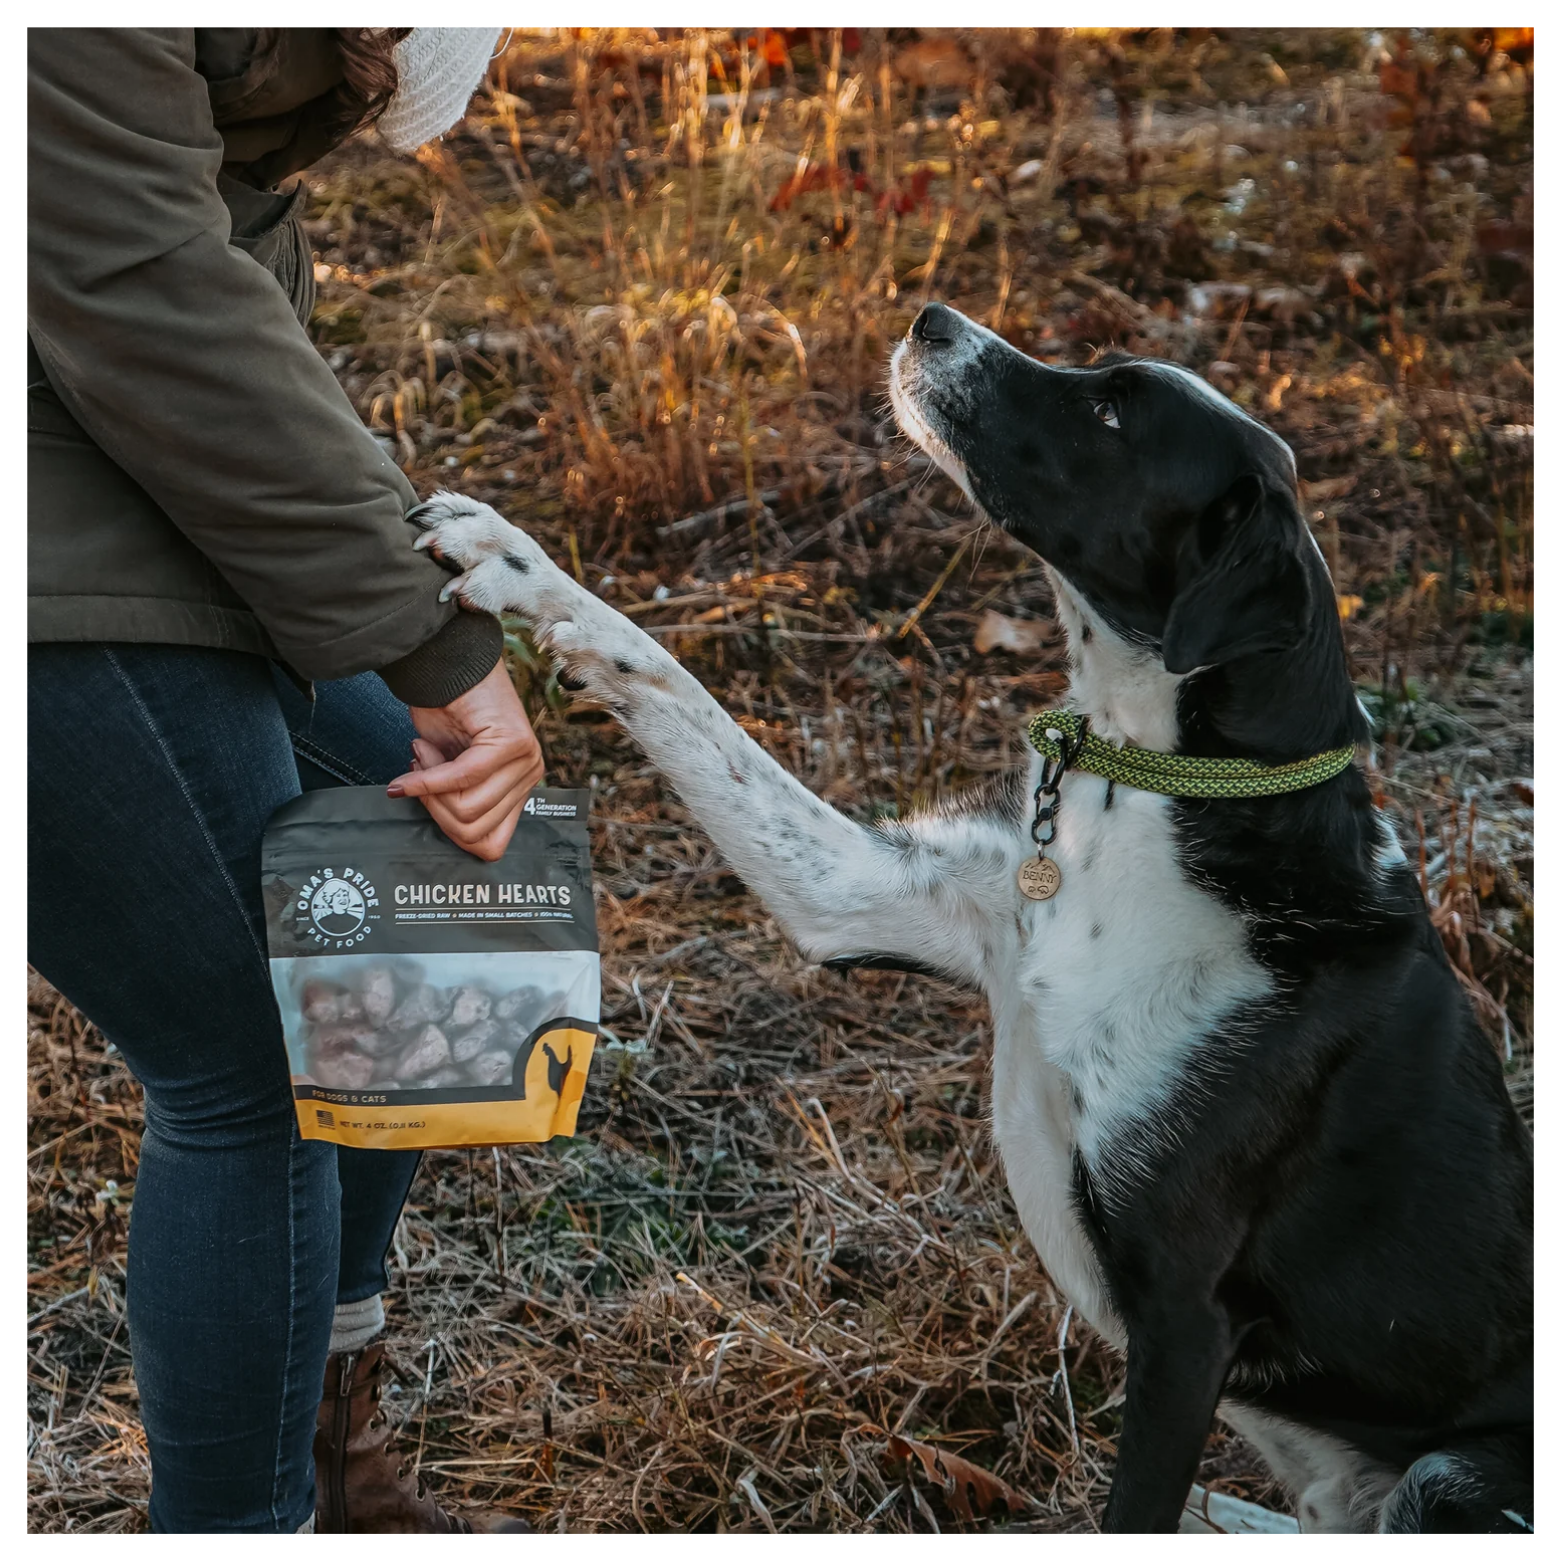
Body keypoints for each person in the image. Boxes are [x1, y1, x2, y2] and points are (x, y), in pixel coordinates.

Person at [27, 27, 538, 1533]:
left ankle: (335, 1459)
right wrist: (434, 648)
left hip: (105, 470)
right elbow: (140, 288)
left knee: (419, 897)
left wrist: (388, 593)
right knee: (260, 1058)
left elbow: (221, 291)